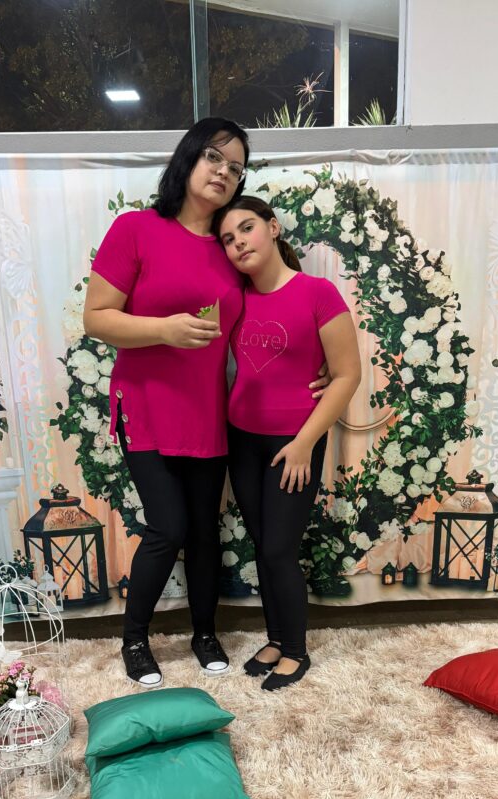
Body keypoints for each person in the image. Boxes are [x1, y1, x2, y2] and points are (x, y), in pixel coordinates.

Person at [83, 120, 329, 687]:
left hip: (210, 412)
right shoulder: (136, 228)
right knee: (167, 527)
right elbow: (96, 318)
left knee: (203, 532)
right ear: (188, 158)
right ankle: (135, 639)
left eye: (236, 167)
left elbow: (274, 312)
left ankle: (204, 633)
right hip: (145, 405)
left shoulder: (230, 248)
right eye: (214, 157)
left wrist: (317, 369)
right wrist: (163, 330)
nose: (224, 171)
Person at [214, 197, 361, 690]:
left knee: (280, 548)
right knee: (262, 544)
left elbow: (347, 375)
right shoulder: (235, 300)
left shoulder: (318, 293)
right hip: (242, 439)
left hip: (293, 443)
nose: (239, 243)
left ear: (273, 228)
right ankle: (276, 638)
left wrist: (303, 443)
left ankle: (296, 651)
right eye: (228, 239)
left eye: (247, 228)